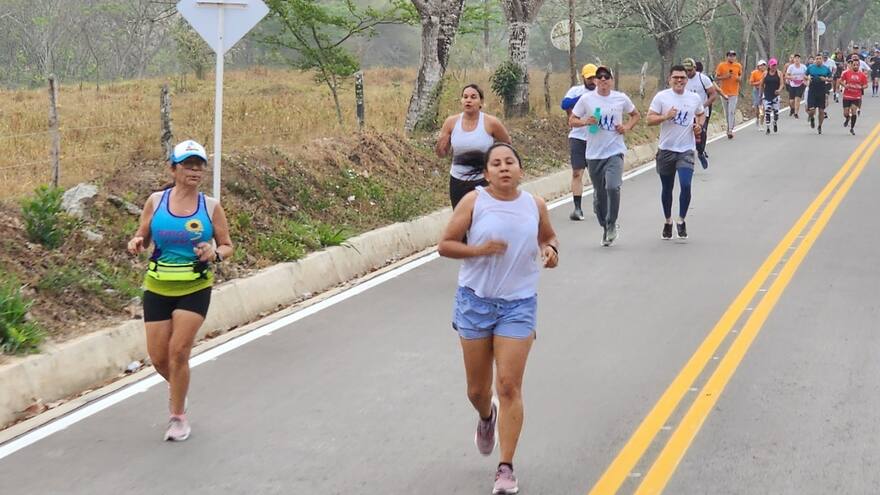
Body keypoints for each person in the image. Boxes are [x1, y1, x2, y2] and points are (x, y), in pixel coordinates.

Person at [438, 143, 558, 495]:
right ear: (486, 173)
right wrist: (478, 250)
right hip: (475, 302)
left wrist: (551, 251)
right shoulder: (474, 202)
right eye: (496, 164)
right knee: (478, 390)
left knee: (508, 386)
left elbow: (548, 237)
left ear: (521, 169)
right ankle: (486, 417)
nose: (504, 168)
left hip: (518, 305)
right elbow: (445, 245)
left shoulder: (534, 205)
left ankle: (505, 468)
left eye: (510, 162)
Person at [126, 140, 233, 442]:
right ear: (173, 168)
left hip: (195, 286)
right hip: (158, 286)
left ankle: (177, 417)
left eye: (199, 165)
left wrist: (214, 254)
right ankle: (179, 392)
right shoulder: (156, 201)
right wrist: (135, 242)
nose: (195, 171)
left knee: (179, 351)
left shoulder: (210, 207)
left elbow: (227, 246)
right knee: (159, 358)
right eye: (188, 164)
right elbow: (143, 237)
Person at [569, 65, 641, 246]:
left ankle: (611, 223)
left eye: (606, 77)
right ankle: (604, 223)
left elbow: (635, 115)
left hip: (615, 151)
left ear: (611, 80)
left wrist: (626, 127)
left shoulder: (620, 98)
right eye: (599, 77)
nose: (602, 80)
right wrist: (585, 121)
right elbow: (572, 120)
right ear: (594, 81)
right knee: (600, 195)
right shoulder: (586, 99)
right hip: (593, 154)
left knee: (613, 187)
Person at [647, 65, 705, 240]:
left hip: (686, 149)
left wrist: (699, 125)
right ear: (669, 79)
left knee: (686, 185)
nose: (679, 81)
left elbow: (701, 114)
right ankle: (668, 220)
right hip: (666, 149)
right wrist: (665, 116)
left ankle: (681, 220)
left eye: (682, 78)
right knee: (667, 188)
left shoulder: (694, 98)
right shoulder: (662, 97)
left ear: (687, 80)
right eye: (676, 78)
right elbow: (649, 119)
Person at [436, 85, 512, 208]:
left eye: (473, 97)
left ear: (481, 102)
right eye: (465, 97)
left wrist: (496, 164)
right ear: (461, 100)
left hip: (483, 180)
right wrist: (441, 145)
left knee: (483, 219)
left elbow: (507, 144)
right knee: (462, 221)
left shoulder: (491, 123)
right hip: (458, 181)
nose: (468, 100)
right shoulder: (451, 122)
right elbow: (441, 154)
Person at [560, 64, 598, 221]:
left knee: (597, 174)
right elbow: (565, 104)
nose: (592, 81)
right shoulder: (576, 91)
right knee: (577, 172)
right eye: (589, 78)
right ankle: (577, 208)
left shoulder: (602, 93)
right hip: (578, 137)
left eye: (594, 77)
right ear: (583, 77)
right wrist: (582, 99)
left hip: (595, 137)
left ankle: (599, 200)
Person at [684, 58, 718, 169]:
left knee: (700, 134)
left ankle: (700, 151)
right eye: (686, 71)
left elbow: (713, 95)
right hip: (687, 114)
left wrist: (702, 106)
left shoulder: (703, 79)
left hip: (702, 113)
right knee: (688, 136)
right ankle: (688, 160)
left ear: (695, 68)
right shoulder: (682, 80)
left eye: (690, 70)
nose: (688, 73)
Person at [715, 50, 743, 139]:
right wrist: (725, 76)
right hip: (723, 92)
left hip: (734, 92)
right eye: (730, 56)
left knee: (731, 111)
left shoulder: (738, 65)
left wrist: (738, 79)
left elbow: (740, 76)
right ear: (727, 57)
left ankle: (730, 130)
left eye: (733, 56)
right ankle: (728, 128)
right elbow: (716, 77)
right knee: (726, 112)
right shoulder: (721, 65)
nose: (732, 57)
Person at [841, 56, 869, 135]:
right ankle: (847, 118)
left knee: (854, 111)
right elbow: (840, 81)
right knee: (845, 113)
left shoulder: (862, 75)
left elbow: (866, 85)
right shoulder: (846, 73)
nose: (856, 66)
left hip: (856, 96)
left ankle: (852, 128)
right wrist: (844, 85)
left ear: (859, 65)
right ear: (851, 65)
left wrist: (862, 87)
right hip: (847, 96)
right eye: (854, 65)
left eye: (857, 65)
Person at [806, 54, 833, 134]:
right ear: (815, 60)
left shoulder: (826, 69)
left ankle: (819, 126)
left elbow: (831, 78)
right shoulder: (811, 68)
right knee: (811, 110)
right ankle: (811, 118)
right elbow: (804, 75)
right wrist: (807, 78)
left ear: (822, 60)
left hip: (821, 90)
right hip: (812, 90)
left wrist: (826, 79)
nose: (818, 60)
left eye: (820, 59)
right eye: (817, 59)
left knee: (821, 111)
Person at [760, 58, 783, 135]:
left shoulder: (779, 73)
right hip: (767, 95)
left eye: (775, 65)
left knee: (776, 113)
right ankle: (768, 128)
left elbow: (782, 84)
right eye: (772, 65)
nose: (774, 67)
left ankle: (775, 122)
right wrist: (761, 94)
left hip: (775, 95)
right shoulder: (765, 73)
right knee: (767, 111)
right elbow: (761, 84)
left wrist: (779, 90)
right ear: (769, 65)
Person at [785, 54, 807, 118]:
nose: (797, 59)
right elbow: (786, 76)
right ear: (793, 60)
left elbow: (807, 74)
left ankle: (796, 113)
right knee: (791, 101)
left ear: (800, 59)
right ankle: (792, 108)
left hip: (801, 84)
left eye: (798, 58)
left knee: (797, 99)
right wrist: (791, 77)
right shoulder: (791, 67)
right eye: (795, 58)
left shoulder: (803, 67)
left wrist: (805, 80)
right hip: (792, 84)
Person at [749, 60, 767, 129]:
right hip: (757, 91)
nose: (762, 67)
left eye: (764, 65)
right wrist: (759, 83)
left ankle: (761, 124)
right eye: (761, 65)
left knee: (762, 108)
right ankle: (757, 118)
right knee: (757, 107)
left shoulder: (767, 73)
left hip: (765, 91)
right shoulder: (754, 73)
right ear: (758, 66)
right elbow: (751, 83)